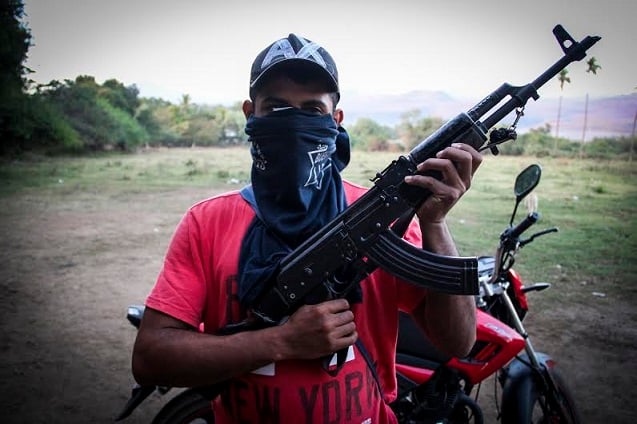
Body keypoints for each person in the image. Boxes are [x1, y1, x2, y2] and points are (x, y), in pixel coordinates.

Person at [132, 33, 481, 423]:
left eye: (312, 110)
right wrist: (279, 341)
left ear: (335, 120)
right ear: (251, 114)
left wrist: (433, 221)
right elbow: (150, 357)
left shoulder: (379, 219)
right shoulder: (207, 223)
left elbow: (458, 342)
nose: (294, 123)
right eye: (276, 107)